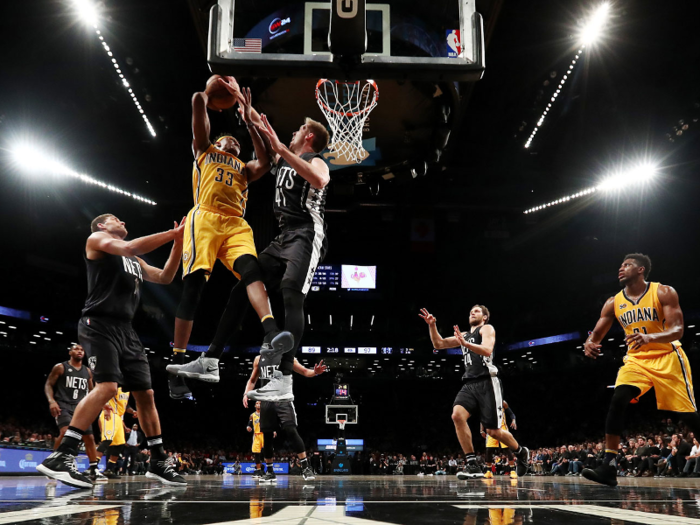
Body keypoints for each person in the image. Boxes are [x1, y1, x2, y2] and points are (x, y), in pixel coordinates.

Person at [178, 79, 330, 404]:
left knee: (291, 295)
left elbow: (318, 179)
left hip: (307, 232)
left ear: (310, 136)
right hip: (282, 235)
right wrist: (248, 115)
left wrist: (280, 147)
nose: (292, 133)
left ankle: (284, 380)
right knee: (245, 283)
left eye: (298, 130)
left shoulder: (315, 160)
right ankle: (212, 357)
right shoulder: (275, 159)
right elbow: (266, 139)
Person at [37, 213, 186, 488]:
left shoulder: (134, 261)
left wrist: (178, 243)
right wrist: (172, 234)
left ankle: (157, 460)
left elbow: (165, 277)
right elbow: (130, 246)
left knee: (146, 393)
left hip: (126, 330)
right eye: (118, 219)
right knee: (107, 387)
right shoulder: (96, 239)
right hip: (98, 324)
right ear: (103, 225)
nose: (125, 222)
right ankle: (62, 456)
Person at [166, 79, 292, 397]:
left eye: (237, 144)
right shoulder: (204, 150)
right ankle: (177, 364)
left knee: (252, 271)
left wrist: (249, 120)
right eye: (229, 141)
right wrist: (208, 94)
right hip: (205, 218)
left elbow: (265, 161)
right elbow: (196, 102)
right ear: (218, 143)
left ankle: (271, 330)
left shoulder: (244, 168)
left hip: (236, 224)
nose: (233, 144)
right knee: (194, 287)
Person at [582, 253, 700, 486]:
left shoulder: (663, 292)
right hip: (637, 360)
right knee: (618, 399)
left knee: (687, 415)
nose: (621, 268)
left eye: (627, 265)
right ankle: (609, 466)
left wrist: (650, 337)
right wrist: (589, 343)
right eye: (620, 265)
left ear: (641, 270)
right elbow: (595, 333)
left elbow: (677, 330)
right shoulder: (613, 302)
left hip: (668, 357)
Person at [419, 305, 529, 479]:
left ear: (484, 317)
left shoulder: (486, 329)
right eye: (471, 310)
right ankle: (472, 464)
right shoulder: (463, 335)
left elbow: (487, 349)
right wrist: (432, 325)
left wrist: (465, 344)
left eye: (477, 311)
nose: (472, 312)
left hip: (488, 381)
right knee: (457, 415)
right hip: (469, 383)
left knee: (493, 431)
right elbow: (438, 343)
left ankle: (521, 452)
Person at [243, 354, 328, 483]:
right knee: (267, 436)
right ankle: (270, 471)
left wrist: (315, 372)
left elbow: (305, 371)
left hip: (284, 400)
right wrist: (246, 393)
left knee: (291, 430)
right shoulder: (259, 359)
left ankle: (305, 467)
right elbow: (253, 380)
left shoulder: (288, 357)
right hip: (266, 400)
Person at [44, 343, 105, 482]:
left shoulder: (88, 371)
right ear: (70, 352)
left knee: (89, 438)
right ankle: (54, 462)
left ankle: (93, 468)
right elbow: (48, 384)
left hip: (81, 407)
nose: (80, 351)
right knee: (65, 432)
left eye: (82, 349)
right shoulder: (60, 367)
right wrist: (51, 401)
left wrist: (102, 404)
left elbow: (92, 391)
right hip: (63, 405)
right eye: (76, 349)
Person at [96, 387, 135, 479]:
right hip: (110, 413)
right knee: (107, 440)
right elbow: (103, 396)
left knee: (119, 445)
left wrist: (133, 411)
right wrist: (105, 409)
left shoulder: (127, 390)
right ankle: (92, 467)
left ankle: (109, 469)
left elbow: (126, 406)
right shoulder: (115, 386)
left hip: (118, 418)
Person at [480, 399, 518, 478]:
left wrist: (513, 420)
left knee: (507, 449)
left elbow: (511, 414)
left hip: (502, 429)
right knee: (488, 450)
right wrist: (481, 430)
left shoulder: (503, 402)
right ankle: (489, 471)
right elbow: (482, 419)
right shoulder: (486, 403)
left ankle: (513, 471)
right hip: (491, 429)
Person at [247, 401, 274, 478]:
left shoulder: (265, 413)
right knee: (256, 453)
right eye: (257, 403)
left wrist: (274, 430)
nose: (258, 404)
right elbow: (249, 424)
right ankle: (259, 471)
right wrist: (248, 427)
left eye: (260, 403)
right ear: (255, 405)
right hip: (256, 435)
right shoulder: (252, 415)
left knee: (267, 451)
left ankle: (269, 470)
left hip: (265, 433)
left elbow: (271, 422)